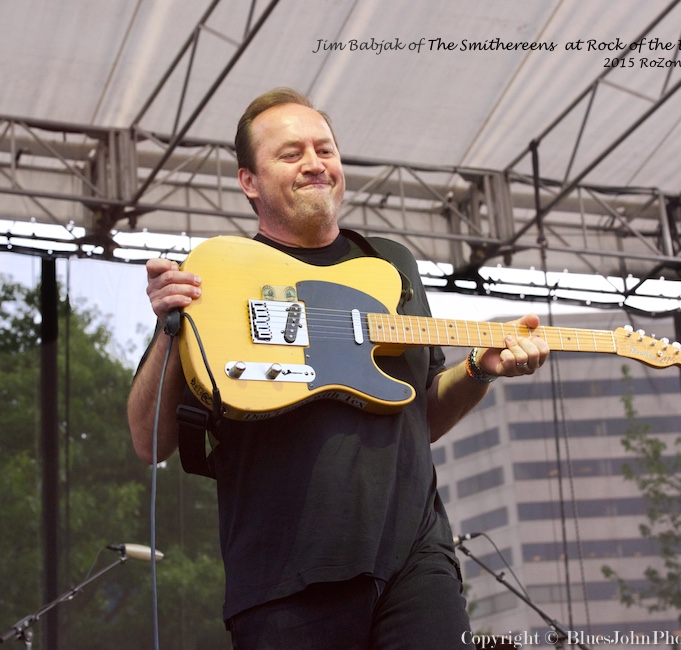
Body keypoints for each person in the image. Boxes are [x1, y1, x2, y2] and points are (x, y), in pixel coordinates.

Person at [128, 87, 549, 649]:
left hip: (415, 564)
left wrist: (481, 368)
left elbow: (418, 416)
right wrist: (169, 326)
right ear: (249, 182)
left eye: (324, 150)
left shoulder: (390, 264)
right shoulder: (218, 277)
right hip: (285, 581)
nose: (314, 164)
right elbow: (147, 441)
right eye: (291, 153)